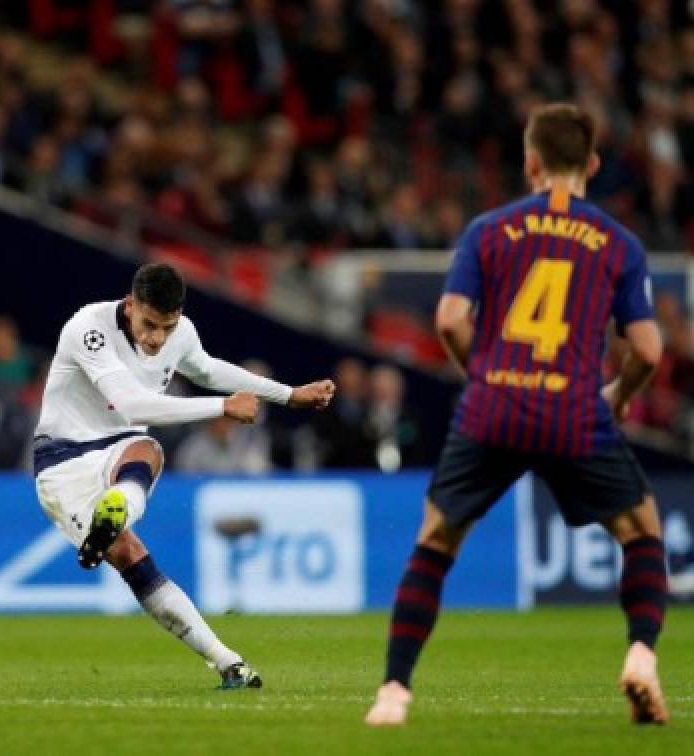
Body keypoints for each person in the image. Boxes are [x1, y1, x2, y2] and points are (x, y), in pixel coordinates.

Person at [365, 104, 670, 727]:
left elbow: (450, 318)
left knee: (436, 542)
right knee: (642, 533)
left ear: (530, 162)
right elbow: (648, 349)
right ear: (592, 165)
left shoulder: (488, 230)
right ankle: (640, 655)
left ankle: (393, 693)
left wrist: (482, 374)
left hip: (492, 406)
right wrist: (619, 394)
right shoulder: (619, 243)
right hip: (575, 411)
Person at [33, 262, 335, 688]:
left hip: (120, 449)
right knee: (129, 541)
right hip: (63, 461)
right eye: (149, 325)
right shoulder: (89, 327)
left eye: (167, 327)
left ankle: (229, 662)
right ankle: (118, 511)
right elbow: (132, 405)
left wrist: (287, 395)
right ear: (130, 303)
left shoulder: (180, 333)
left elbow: (209, 371)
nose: (156, 339)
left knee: (146, 453)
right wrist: (221, 407)